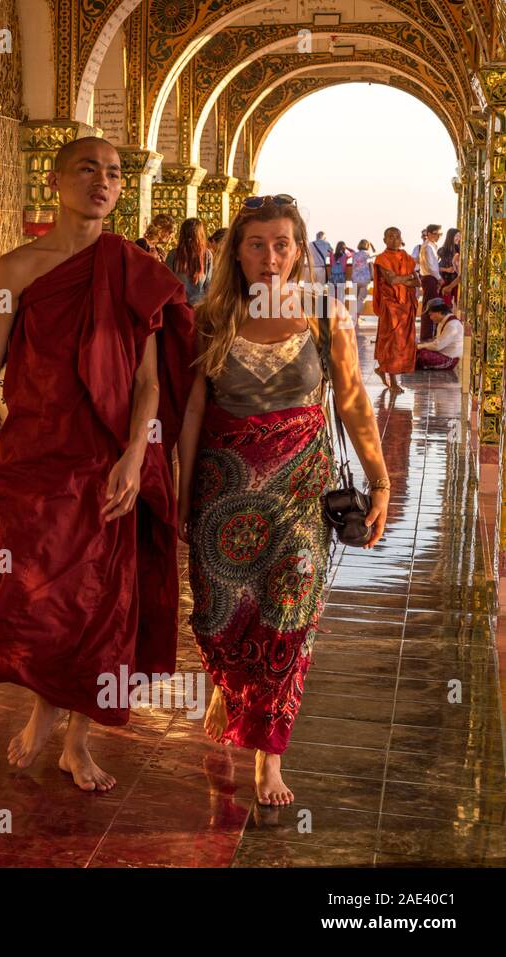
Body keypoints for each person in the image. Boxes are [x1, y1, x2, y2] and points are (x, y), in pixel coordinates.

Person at [0, 137, 196, 791]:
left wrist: (135, 457)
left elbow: (147, 384)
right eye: (88, 169)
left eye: (113, 173)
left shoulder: (131, 268)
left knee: (98, 605)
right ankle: (41, 708)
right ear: (54, 180)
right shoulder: (15, 271)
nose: (103, 182)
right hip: (31, 463)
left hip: (103, 466)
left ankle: (76, 742)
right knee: (31, 597)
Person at [177, 193, 390, 806]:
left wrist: (379, 482)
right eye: (256, 245)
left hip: (301, 491)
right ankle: (227, 684)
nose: (270, 257)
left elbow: (352, 399)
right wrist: (183, 494)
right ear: (234, 253)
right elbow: (194, 411)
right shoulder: (210, 317)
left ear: (299, 250)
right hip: (222, 487)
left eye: (282, 244)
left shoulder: (324, 314)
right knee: (220, 618)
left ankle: (269, 757)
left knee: (288, 620)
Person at [373, 226, 421, 394]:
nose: (394, 240)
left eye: (397, 236)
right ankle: (392, 381)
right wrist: (407, 278)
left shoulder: (408, 258)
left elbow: (418, 282)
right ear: (385, 240)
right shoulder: (381, 259)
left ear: (401, 239)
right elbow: (392, 280)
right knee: (391, 340)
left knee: (403, 341)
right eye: (390, 237)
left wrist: (403, 279)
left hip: (406, 305)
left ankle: (382, 370)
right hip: (390, 305)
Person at [166, 217, 213, 305]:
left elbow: (168, 283)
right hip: (199, 305)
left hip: (178, 305)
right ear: (201, 234)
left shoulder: (173, 255)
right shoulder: (206, 255)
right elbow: (208, 284)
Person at [415, 297, 463, 371]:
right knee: (417, 352)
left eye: (431, 315)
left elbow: (437, 346)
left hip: (450, 360)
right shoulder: (442, 322)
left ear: (439, 312)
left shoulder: (452, 325)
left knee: (422, 355)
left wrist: (420, 346)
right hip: (442, 354)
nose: (430, 318)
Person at [419, 224, 442, 339]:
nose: (439, 236)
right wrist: (439, 278)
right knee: (429, 306)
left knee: (431, 305)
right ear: (430, 234)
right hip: (429, 278)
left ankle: (428, 333)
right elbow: (431, 267)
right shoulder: (427, 247)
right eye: (437, 234)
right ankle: (426, 334)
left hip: (430, 278)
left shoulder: (432, 246)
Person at [350, 239, 373, 320]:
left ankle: (355, 316)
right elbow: (371, 266)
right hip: (364, 279)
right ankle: (356, 317)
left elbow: (353, 266)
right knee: (361, 299)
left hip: (355, 278)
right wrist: (372, 276)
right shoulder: (368, 254)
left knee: (356, 299)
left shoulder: (355, 254)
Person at [438, 227, 461, 308]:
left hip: (456, 282)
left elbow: (460, 271)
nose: (458, 238)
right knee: (445, 307)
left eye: (459, 236)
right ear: (450, 237)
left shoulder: (461, 251)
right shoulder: (442, 250)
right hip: (445, 281)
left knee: (456, 306)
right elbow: (436, 268)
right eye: (456, 236)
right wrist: (446, 269)